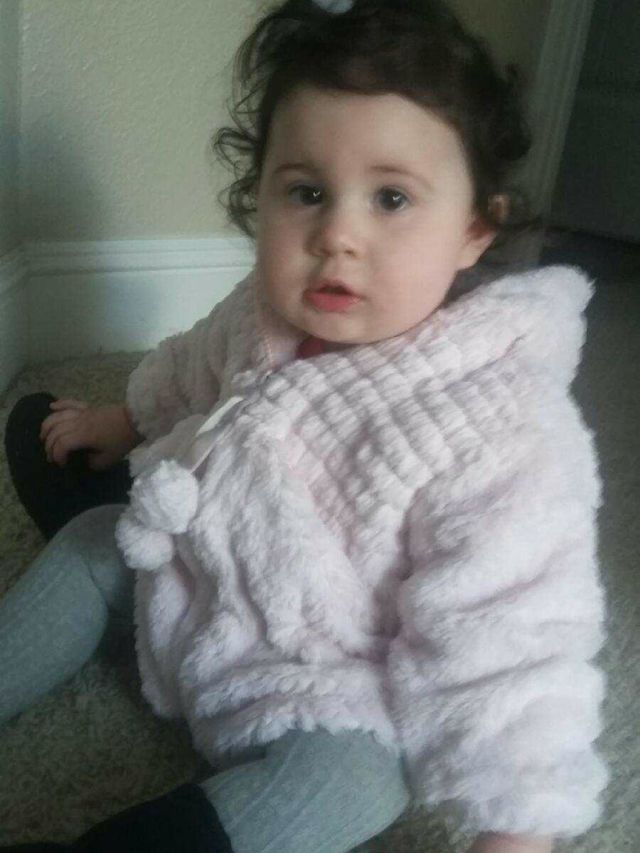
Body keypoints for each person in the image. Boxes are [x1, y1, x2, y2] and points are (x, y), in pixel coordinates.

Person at [0, 1, 609, 851]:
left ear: (475, 228)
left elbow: (511, 630)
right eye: (307, 192)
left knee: (355, 781)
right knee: (94, 537)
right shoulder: (261, 311)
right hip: (198, 585)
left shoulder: (505, 425)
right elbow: (193, 370)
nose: (337, 235)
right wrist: (123, 416)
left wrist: (517, 827)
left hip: (330, 681)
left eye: (391, 197)